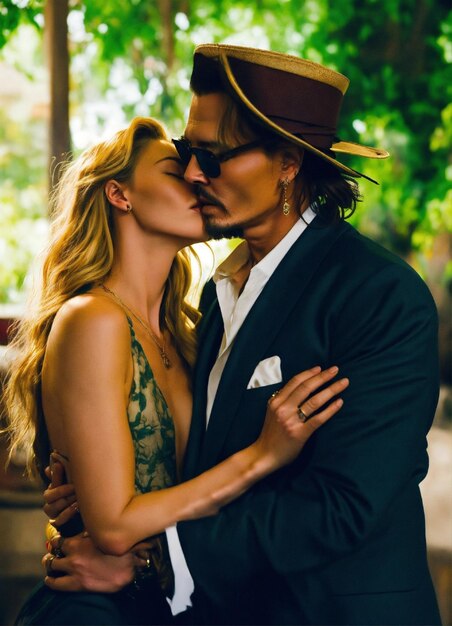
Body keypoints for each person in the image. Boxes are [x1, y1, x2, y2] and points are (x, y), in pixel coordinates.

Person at [42, 45, 441, 626]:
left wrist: (155, 562)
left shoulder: (378, 294)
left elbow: (342, 507)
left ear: (287, 163)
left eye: (214, 156)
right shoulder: (213, 295)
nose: (195, 173)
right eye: (186, 154)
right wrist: (97, 492)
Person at [4, 114, 348, 626]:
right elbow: (116, 527)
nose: (196, 177)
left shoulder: (192, 331)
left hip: (173, 603)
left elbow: (165, 496)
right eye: (174, 169)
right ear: (120, 195)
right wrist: (263, 455)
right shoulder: (92, 318)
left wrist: (146, 561)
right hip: (95, 612)